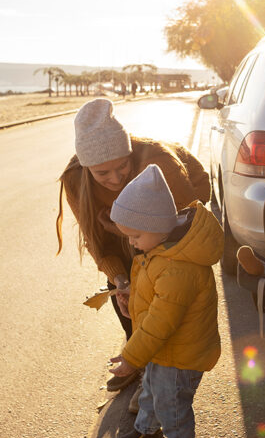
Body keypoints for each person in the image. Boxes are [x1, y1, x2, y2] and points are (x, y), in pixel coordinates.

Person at [57, 98, 211, 396]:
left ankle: (159, 383)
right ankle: (139, 360)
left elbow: (182, 230)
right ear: (87, 168)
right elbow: (97, 243)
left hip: (177, 216)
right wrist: (121, 280)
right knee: (127, 291)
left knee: (164, 293)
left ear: (130, 154)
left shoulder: (158, 162)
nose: (115, 179)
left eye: (122, 166)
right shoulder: (75, 179)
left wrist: (124, 233)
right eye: (103, 174)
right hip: (119, 226)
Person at [106, 164, 223, 438]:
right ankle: (145, 432)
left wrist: (132, 358)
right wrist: (134, 295)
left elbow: (161, 321)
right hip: (166, 351)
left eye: (136, 236)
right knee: (151, 391)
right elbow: (157, 294)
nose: (133, 244)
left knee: (172, 408)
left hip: (179, 357)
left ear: (156, 226)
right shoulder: (162, 250)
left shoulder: (178, 267)